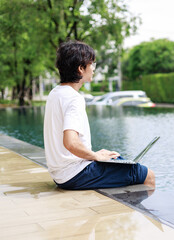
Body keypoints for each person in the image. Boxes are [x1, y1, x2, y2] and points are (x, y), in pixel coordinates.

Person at [43, 40, 155, 190]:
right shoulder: (74, 98)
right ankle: (141, 213)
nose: (94, 69)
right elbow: (70, 142)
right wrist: (96, 157)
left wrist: (93, 154)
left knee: (117, 159)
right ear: (81, 68)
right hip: (75, 174)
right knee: (147, 174)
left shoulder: (55, 93)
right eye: (92, 64)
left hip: (61, 174)